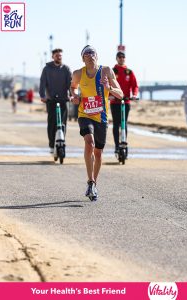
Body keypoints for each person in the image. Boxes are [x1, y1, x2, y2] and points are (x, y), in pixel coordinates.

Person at [70, 45, 123, 201]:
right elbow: (73, 87)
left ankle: (93, 185)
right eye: (87, 53)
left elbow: (120, 94)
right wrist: (75, 96)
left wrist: (109, 88)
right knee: (90, 142)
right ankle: (90, 180)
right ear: (83, 58)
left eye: (93, 52)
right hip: (84, 114)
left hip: (101, 117)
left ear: (97, 56)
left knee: (98, 153)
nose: (90, 55)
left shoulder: (106, 71)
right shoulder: (78, 74)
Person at [39, 48, 72, 155]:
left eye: (60, 55)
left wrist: (71, 95)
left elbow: (71, 84)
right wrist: (42, 95)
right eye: (57, 55)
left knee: (63, 123)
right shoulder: (47, 69)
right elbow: (42, 83)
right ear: (53, 56)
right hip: (51, 100)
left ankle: (61, 140)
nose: (59, 57)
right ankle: (51, 145)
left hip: (64, 99)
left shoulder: (66, 69)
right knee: (52, 123)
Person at [110, 51, 138, 157]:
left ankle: (124, 143)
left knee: (124, 123)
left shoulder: (129, 72)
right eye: (119, 57)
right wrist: (109, 95)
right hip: (114, 102)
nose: (121, 59)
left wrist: (134, 95)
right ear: (116, 58)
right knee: (116, 124)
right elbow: (107, 84)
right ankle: (117, 146)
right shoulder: (113, 71)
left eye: (123, 57)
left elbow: (135, 85)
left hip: (126, 102)